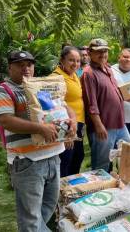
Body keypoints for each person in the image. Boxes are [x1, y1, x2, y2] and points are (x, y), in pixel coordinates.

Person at [0, 50, 76, 231]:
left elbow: (66, 107)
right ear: (9, 67)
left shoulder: (42, 86)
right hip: (28, 162)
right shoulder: (2, 90)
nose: (25, 68)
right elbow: (5, 120)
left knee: (49, 206)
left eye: (29, 64)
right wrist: (40, 128)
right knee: (30, 215)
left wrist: (72, 122)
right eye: (20, 65)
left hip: (54, 156)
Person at [81, 38, 130, 171]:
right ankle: (101, 190)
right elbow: (91, 103)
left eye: (105, 51)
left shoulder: (107, 69)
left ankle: (121, 186)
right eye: (98, 52)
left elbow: (112, 91)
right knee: (101, 166)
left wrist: (125, 97)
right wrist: (98, 125)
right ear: (89, 53)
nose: (102, 54)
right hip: (103, 127)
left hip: (119, 124)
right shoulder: (89, 73)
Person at [51, 46, 85, 177]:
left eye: (77, 61)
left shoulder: (74, 74)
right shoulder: (56, 77)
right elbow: (54, 106)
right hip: (66, 126)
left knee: (78, 157)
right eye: (71, 60)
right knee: (65, 160)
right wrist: (65, 133)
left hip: (78, 124)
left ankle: (71, 190)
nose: (75, 64)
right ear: (62, 60)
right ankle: (62, 191)